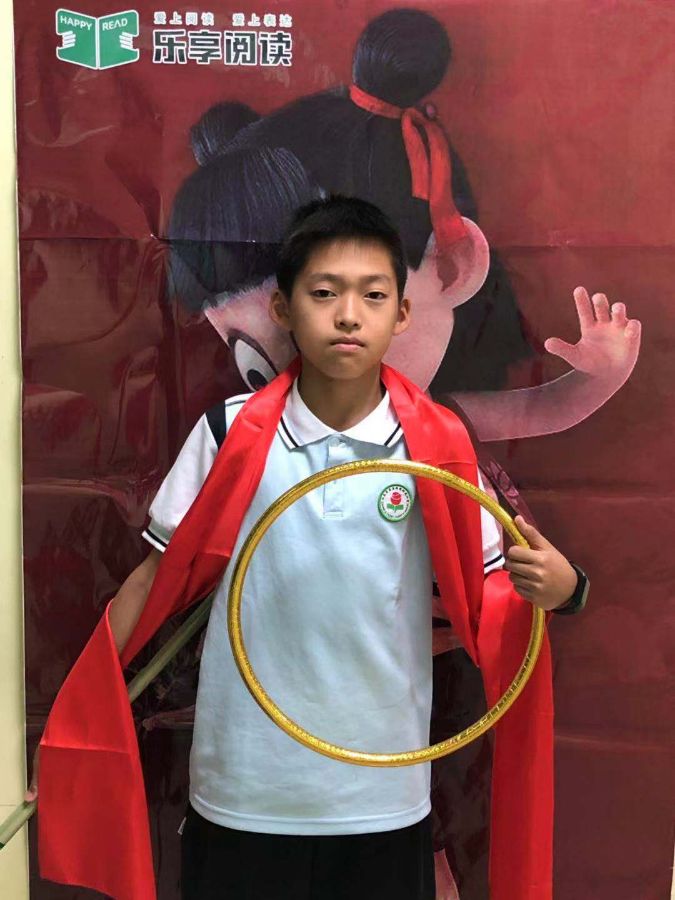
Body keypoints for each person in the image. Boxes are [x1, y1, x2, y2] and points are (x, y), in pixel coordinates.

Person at [29, 196, 588, 900]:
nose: (348, 315)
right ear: (283, 309)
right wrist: (79, 708)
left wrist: (568, 589)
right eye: (324, 293)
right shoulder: (229, 434)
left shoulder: (438, 447)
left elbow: (497, 598)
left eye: (373, 295)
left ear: (401, 314)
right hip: (242, 789)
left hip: (384, 795)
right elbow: (154, 580)